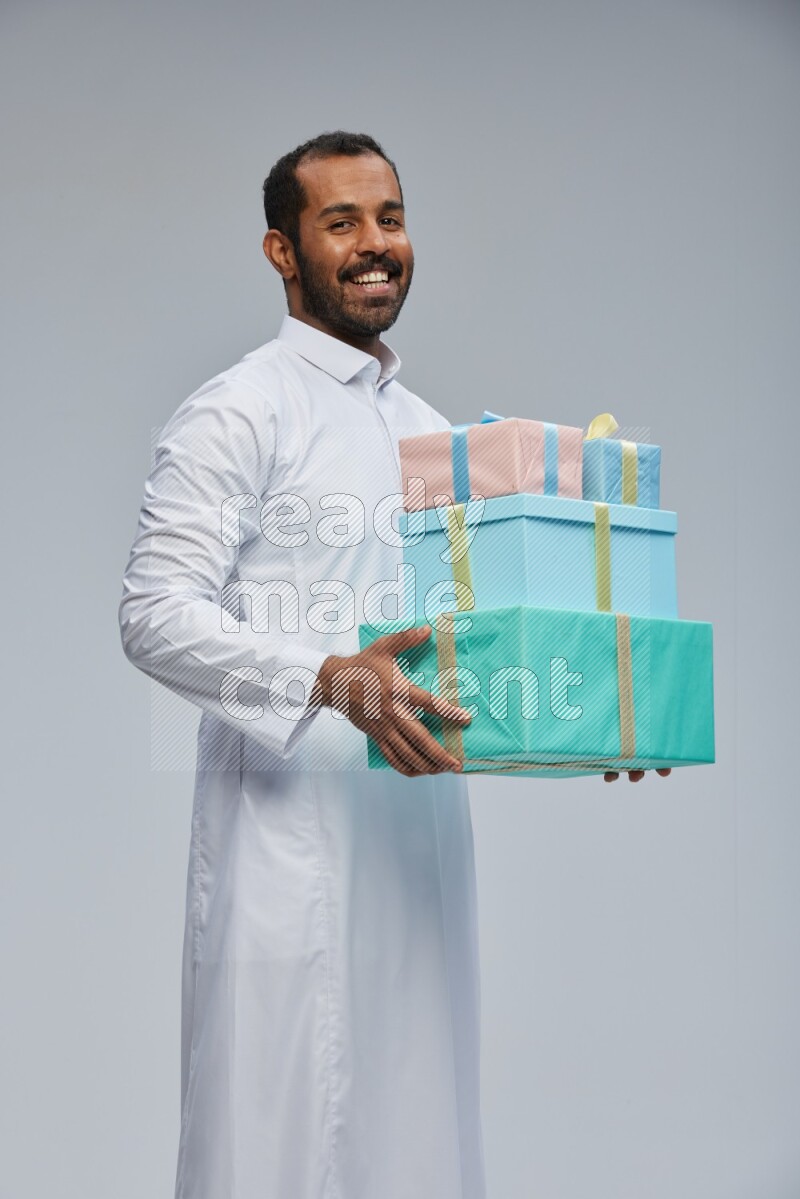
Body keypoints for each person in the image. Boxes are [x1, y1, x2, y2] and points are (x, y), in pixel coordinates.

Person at [119, 129, 669, 1199]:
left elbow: (468, 640)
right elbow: (152, 614)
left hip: (414, 840)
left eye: (391, 217)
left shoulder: (429, 437)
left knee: (413, 1138)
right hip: (284, 845)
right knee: (275, 1142)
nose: (376, 245)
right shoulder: (240, 409)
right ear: (282, 251)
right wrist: (326, 677)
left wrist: (602, 715)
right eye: (342, 223)